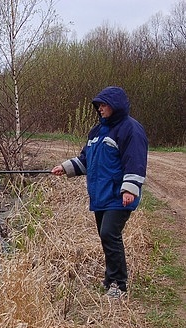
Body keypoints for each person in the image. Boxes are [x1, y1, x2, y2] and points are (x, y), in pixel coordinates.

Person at [51, 86, 148, 298]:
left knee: (109, 234)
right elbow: (86, 161)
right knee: (106, 237)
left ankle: (119, 285)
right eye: (99, 105)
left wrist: (130, 189)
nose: (100, 109)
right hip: (100, 195)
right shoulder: (96, 132)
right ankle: (110, 278)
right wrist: (65, 167)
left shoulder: (130, 129)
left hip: (118, 195)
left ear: (115, 106)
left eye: (104, 105)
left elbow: (135, 161)